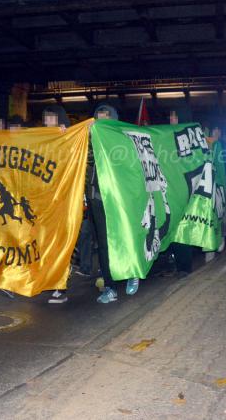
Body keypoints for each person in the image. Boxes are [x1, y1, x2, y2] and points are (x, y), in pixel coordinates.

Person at [89, 103, 140, 303]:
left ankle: (132, 271)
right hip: (98, 198)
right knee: (104, 244)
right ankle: (110, 287)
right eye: (98, 123)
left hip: (121, 199)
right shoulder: (89, 141)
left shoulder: (125, 141)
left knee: (125, 236)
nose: (102, 128)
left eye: (107, 123)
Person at [41, 105, 71, 304]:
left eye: (51, 118)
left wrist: (66, 135)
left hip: (63, 201)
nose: (47, 122)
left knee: (61, 243)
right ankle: (48, 280)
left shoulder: (68, 140)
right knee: (45, 243)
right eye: (46, 119)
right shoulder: (42, 140)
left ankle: (60, 287)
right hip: (44, 202)